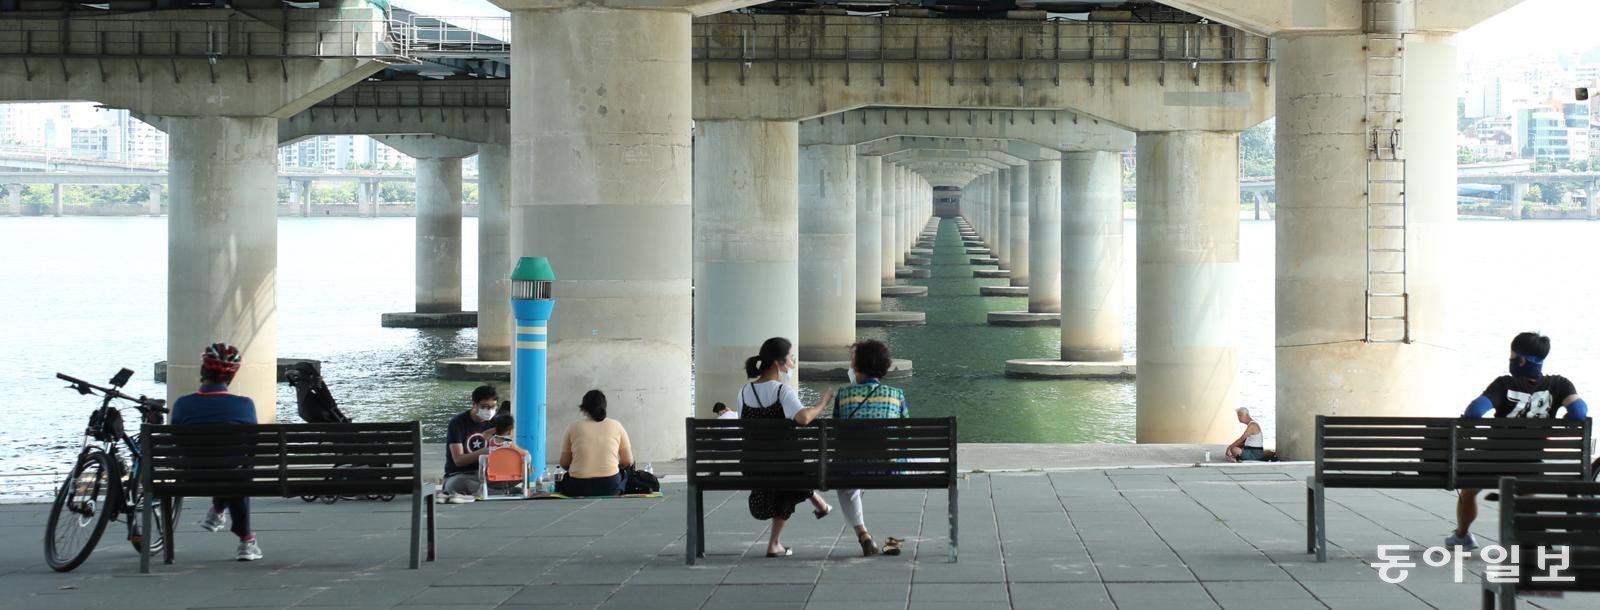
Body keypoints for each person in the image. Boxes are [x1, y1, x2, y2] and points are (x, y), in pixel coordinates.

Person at [1448, 332, 1589, 551]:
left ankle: (1462, 536)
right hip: (1531, 463)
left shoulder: (1504, 384)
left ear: (1521, 360)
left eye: (1512, 355)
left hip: (1490, 460)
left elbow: (1475, 411)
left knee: (1469, 490)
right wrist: (1561, 423)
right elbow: (1579, 412)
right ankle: (1530, 533)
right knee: (1525, 491)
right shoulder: (1560, 384)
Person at [736, 337, 833, 558]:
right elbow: (803, 418)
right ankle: (777, 540)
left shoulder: (743, 391)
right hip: (783, 466)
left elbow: (745, 427)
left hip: (752, 465)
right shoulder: (782, 391)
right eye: (791, 359)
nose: (792, 364)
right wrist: (822, 404)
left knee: (788, 472)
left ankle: (815, 505)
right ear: (778, 363)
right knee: (790, 475)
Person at [170, 342, 262, 562]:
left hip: (191, 477)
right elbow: (253, 445)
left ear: (203, 371)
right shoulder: (244, 405)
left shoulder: (183, 404)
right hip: (233, 476)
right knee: (236, 469)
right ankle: (245, 540)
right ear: (231, 377)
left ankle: (219, 510)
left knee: (225, 467)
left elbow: (176, 443)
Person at [828, 339, 910, 557]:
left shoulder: (844, 394)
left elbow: (837, 434)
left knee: (846, 481)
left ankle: (863, 534)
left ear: (857, 367)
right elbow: (905, 434)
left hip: (852, 468)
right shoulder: (897, 395)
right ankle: (880, 538)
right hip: (890, 469)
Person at [556, 390, 634, 497]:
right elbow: (628, 461)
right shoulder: (616, 426)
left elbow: (564, 463)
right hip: (609, 486)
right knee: (625, 476)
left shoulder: (573, 427)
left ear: (583, 409)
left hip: (578, 486)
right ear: (604, 407)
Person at [441, 385, 501, 503]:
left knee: (506, 479)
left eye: (493, 407)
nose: (489, 411)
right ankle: (489, 492)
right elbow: (458, 460)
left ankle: (478, 492)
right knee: (459, 483)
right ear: (474, 405)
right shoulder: (457, 423)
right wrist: (483, 452)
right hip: (459, 474)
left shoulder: (496, 423)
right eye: (484, 407)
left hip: (486, 474)